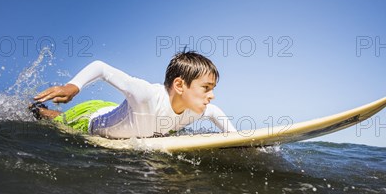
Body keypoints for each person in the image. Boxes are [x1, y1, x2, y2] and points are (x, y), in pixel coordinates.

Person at [31, 51, 236, 138]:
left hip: (120, 113)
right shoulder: (146, 95)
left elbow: (215, 113)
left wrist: (236, 139)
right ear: (180, 85)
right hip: (89, 117)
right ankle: (39, 110)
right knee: (59, 121)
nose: (211, 96)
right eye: (206, 88)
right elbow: (101, 68)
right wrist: (72, 87)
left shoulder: (195, 109)